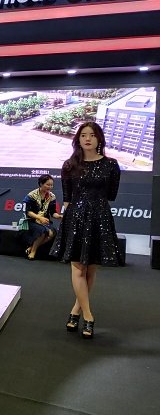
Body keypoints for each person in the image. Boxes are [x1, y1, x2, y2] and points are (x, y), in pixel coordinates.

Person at [50, 121, 121, 339]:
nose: (87, 138)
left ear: (99, 138)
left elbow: (111, 195)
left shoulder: (111, 165)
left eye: (92, 134)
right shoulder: (69, 165)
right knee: (78, 268)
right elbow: (67, 198)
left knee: (90, 269)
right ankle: (88, 316)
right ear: (78, 139)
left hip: (100, 218)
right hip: (76, 219)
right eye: (83, 135)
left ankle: (75, 311)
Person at [21, 174, 63, 260]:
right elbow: (28, 212)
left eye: (51, 185)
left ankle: (31, 248)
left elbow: (53, 212)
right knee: (43, 231)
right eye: (48, 184)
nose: (50, 187)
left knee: (52, 233)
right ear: (41, 184)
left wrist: (58, 216)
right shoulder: (31, 195)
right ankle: (33, 252)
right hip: (31, 221)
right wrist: (39, 218)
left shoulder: (52, 196)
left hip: (45, 222)